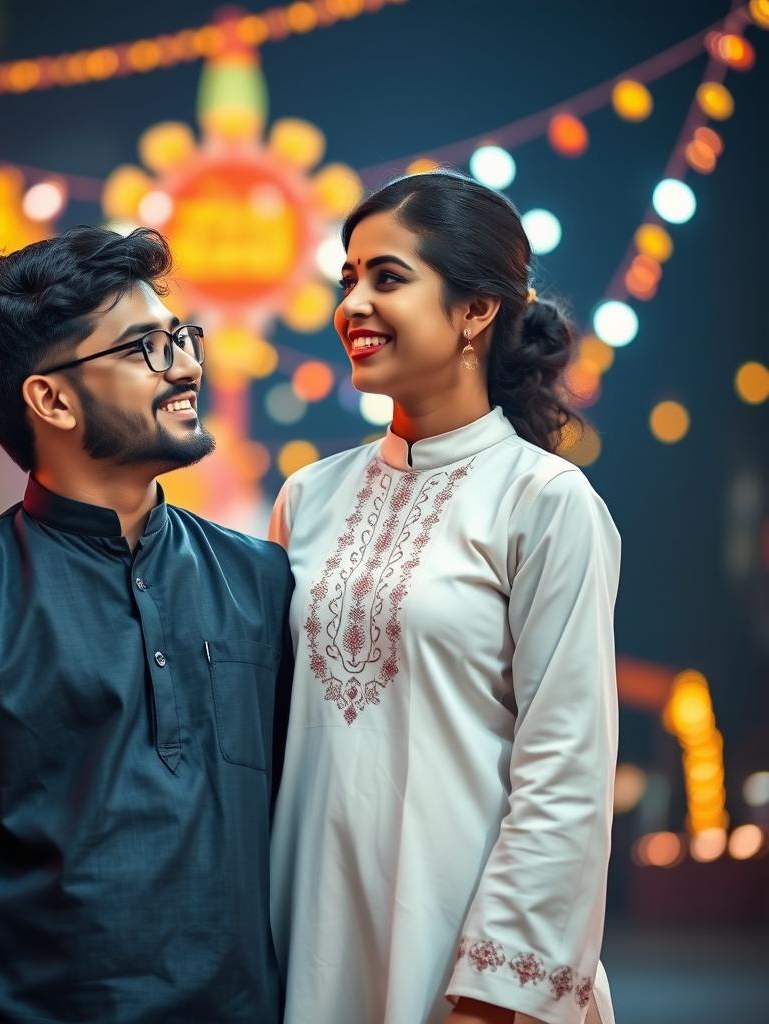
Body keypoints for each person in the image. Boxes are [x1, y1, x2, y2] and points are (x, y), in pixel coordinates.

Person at [0, 225, 293, 1023]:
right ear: (50, 398)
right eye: (145, 347)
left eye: (180, 336)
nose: (185, 365)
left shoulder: (262, 579)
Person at [269, 171, 619, 1024]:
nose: (353, 303)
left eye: (388, 277)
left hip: (465, 974)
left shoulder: (543, 501)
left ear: (475, 311)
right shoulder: (307, 500)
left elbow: (566, 773)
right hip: (306, 948)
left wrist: (495, 996)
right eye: (347, 279)